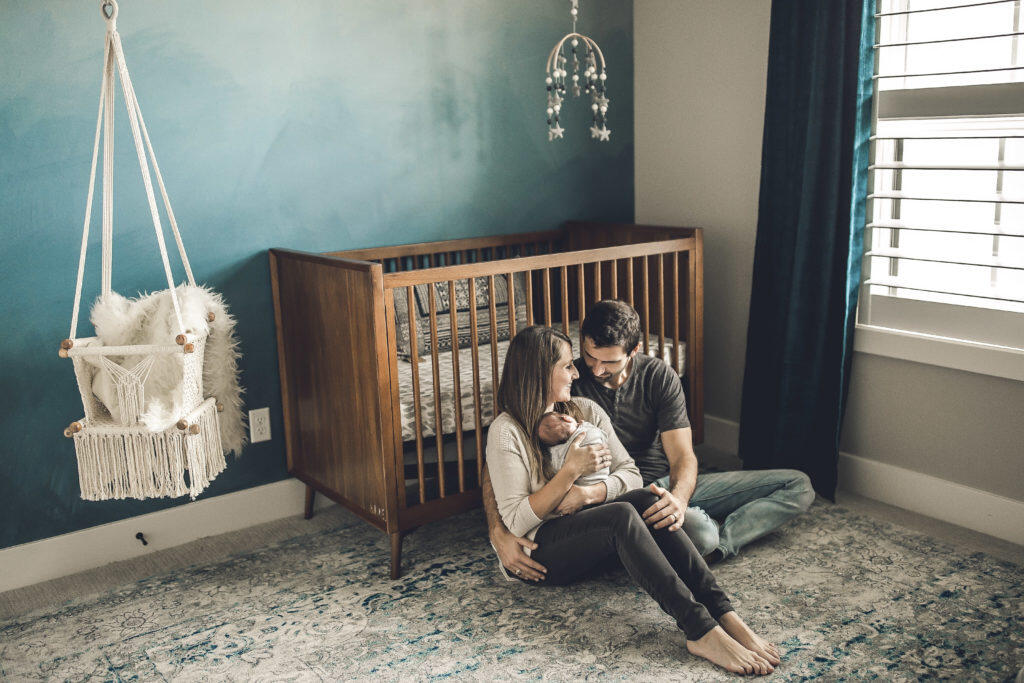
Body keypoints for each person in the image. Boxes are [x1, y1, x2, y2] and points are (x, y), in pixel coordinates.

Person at [486, 324, 779, 675]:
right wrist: (570, 472)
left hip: (587, 529)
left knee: (645, 498)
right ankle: (700, 630)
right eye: (567, 366)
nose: (576, 372)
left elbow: (630, 474)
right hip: (540, 552)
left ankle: (725, 614)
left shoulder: (585, 410)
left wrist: (589, 492)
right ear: (538, 372)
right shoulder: (506, 430)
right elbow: (518, 519)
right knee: (622, 515)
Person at [482, 300, 814, 578]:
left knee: (797, 485)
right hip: (610, 503)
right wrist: (499, 532)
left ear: (635, 350)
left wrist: (679, 502)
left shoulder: (658, 376)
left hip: (658, 483)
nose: (595, 369)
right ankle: (689, 541)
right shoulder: (565, 384)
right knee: (701, 532)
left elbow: (683, 456)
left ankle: (710, 545)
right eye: (590, 356)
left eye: (608, 362)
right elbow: (498, 465)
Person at [535, 411, 609, 487]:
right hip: (604, 478)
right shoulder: (590, 429)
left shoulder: (557, 452)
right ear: (566, 418)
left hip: (582, 485)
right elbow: (604, 436)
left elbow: (554, 468)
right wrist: (583, 424)